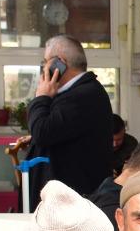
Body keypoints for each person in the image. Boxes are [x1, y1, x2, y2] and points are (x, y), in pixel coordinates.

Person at [26, 34, 115, 209]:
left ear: (60, 62)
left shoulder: (83, 95)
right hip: (66, 197)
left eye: (46, 61)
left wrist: (41, 97)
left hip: (70, 202)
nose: (44, 67)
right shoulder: (78, 92)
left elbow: (41, 132)